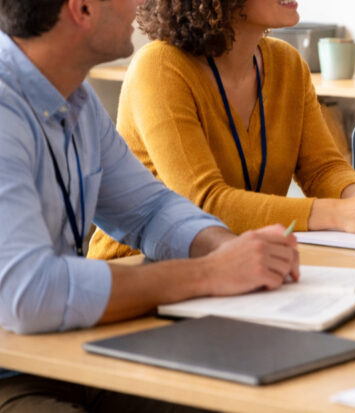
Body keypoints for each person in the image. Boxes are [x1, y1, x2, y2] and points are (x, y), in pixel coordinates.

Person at [0, 0, 300, 410]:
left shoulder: (75, 99)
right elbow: (30, 292)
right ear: (82, 9)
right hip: (14, 371)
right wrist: (208, 273)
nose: (140, 4)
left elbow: (151, 209)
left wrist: (230, 250)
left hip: (73, 351)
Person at [87, 0, 355, 260]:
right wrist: (340, 214)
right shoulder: (160, 66)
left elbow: (323, 168)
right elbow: (203, 204)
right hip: (141, 269)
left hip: (242, 265)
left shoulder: (287, 63)